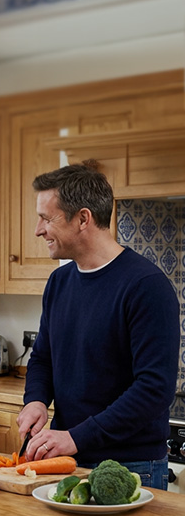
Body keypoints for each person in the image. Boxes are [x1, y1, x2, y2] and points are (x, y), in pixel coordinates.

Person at [17, 161, 180, 490]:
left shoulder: (146, 286)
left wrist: (75, 437)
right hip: (69, 460)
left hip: (133, 467)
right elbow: (43, 358)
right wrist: (35, 400)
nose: (38, 229)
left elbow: (153, 390)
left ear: (82, 219)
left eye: (47, 218)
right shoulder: (59, 282)